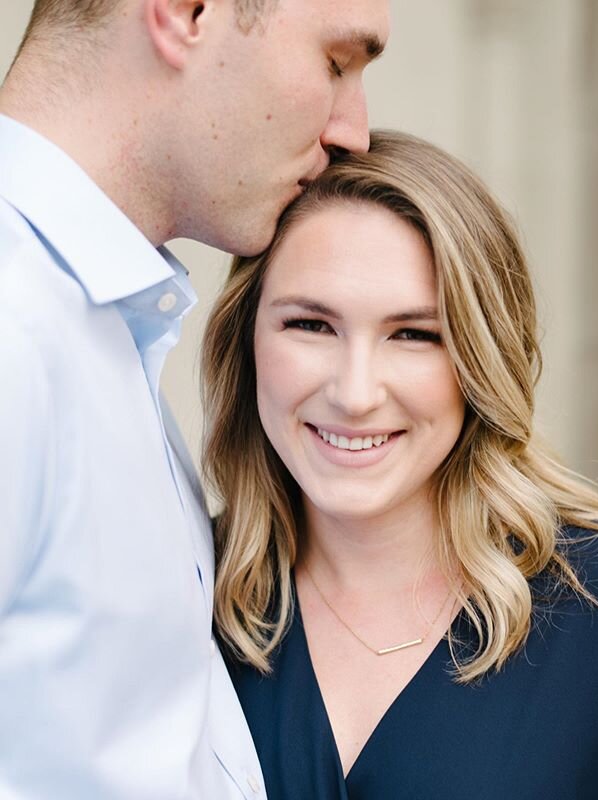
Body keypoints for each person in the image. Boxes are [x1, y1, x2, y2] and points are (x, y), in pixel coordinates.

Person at [0, 0, 389, 797]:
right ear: (186, 13)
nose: (355, 128)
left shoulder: (96, 325)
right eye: (337, 62)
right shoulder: (16, 320)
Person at [201, 130, 598, 800]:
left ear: (481, 362)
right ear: (247, 340)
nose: (355, 393)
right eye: (310, 325)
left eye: (415, 335)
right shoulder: (178, 595)